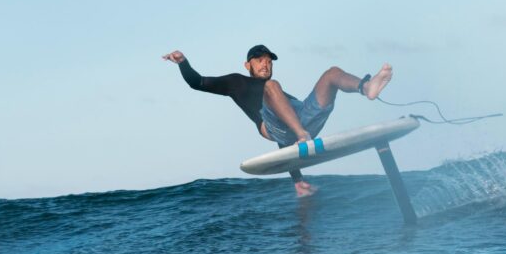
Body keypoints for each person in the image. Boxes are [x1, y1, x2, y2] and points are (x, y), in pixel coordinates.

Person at [163, 45, 392, 197]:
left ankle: (367, 87)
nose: (265, 64)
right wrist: (183, 62)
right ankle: (304, 135)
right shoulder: (236, 82)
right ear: (247, 65)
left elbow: (287, 141)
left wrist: (297, 178)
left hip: (300, 118)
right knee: (272, 89)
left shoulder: (279, 93)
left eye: (269, 61)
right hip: (277, 127)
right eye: (259, 60)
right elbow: (198, 82)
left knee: (331, 73)